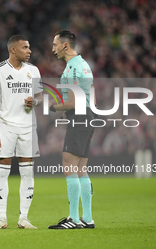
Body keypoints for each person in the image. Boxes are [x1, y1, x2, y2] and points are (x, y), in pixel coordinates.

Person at [0, 35, 43, 229]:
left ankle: (24, 218)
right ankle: (2, 218)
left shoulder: (33, 71)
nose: (29, 51)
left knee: (28, 171)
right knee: (2, 170)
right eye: (25, 47)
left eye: (29, 47)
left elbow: (41, 97)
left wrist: (35, 101)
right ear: (13, 50)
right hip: (5, 126)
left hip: (28, 127)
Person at [48, 29, 95, 229]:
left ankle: (74, 220)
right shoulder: (79, 65)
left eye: (55, 45)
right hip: (86, 116)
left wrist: (51, 106)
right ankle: (87, 218)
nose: (53, 49)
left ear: (65, 45)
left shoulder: (74, 68)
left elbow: (73, 102)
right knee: (80, 169)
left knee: (68, 165)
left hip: (80, 116)